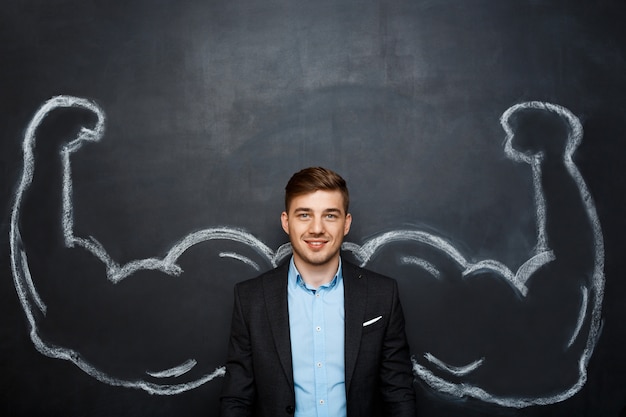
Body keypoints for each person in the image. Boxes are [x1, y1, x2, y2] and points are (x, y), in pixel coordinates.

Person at [220, 167, 417, 417]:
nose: (316, 228)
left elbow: (399, 394)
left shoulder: (382, 295)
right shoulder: (251, 299)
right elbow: (236, 399)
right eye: (304, 215)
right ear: (286, 221)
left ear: (346, 224)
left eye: (330, 216)